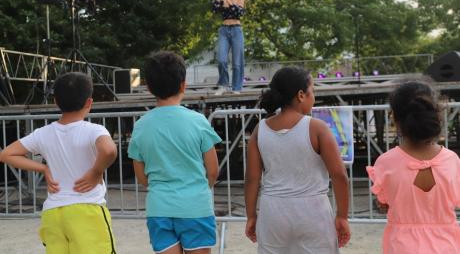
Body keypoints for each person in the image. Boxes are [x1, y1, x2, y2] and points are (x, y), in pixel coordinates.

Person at [0, 72, 118, 254]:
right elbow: (109, 150)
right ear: (89, 102)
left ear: (56, 101)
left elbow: (6, 154)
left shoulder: (43, 133)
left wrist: (43, 168)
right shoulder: (95, 130)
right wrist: (96, 171)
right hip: (87, 211)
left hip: (53, 214)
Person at [244, 66, 351, 254]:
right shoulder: (317, 128)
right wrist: (342, 216)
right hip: (313, 212)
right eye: (313, 91)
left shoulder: (259, 130)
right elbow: (339, 175)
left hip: (273, 212)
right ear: (301, 95)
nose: (314, 97)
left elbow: (252, 179)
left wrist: (251, 216)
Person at [128, 51, 221, 254]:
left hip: (159, 208)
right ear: (183, 85)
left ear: (149, 87)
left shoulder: (141, 126)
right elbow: (213, 170)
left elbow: (141, 177)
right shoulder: (198, 121)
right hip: (196, 206)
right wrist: (201, 189)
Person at [367, 80, 460, 254]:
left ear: (394, 117)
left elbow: (383, 203)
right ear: (437, 116)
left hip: (402, 246)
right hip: (446, 245)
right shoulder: (452, 161)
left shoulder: (386, 162)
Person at [211, 0, 247, 95]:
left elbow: (237, 12)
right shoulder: (222, 1)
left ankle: (236, 87)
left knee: (237, 62)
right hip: (224, 30)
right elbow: (214, 8)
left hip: (236, 30)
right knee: (221, 60)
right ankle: (223, 85)